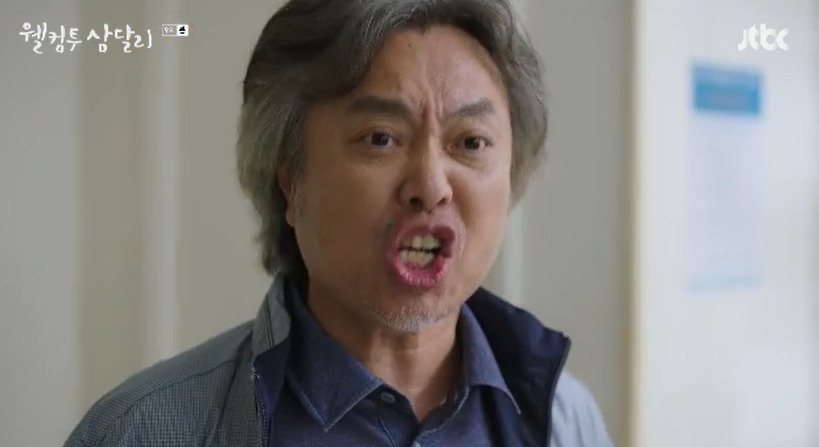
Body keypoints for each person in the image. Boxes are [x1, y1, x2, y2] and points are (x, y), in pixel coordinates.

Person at [65, 0, 613, 446]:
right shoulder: (141, 431)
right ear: (289, 180)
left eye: (471, 142)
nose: (430, 185)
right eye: (381, 138)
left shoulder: (566, 420)